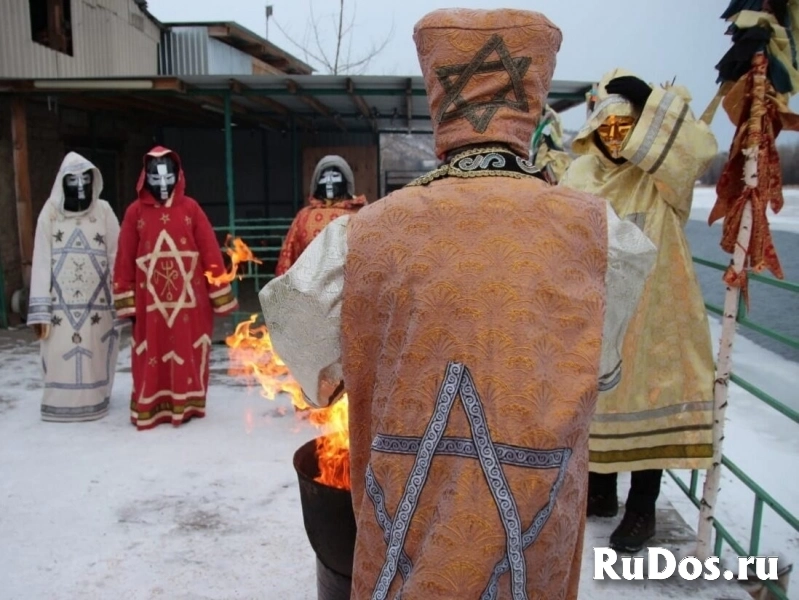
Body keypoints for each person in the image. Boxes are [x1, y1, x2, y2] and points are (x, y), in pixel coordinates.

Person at [260, 9, 657, 599]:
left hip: (410, 527)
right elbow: (599, 370)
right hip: (532, 526)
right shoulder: (600, 234)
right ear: (533, 97)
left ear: (437, 102)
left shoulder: (363, 235)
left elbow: (304, 347)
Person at [560, 69, 718, 552]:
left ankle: (642, 509)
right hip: (598, 309)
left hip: (655, 311)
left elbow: (692, 154)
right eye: (605, 128)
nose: (613, 138)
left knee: (650, 399)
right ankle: (603, 491)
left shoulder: (661, 178)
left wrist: (652, 104)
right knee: (599, 401)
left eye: (625, 128)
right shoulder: (579, 174)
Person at [113, 146, 238, 431]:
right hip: (149, 305)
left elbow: (209, 251)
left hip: (190, 304)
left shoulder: (191, 209)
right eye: (156, 179)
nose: (163, 185)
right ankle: (151, 406)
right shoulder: (135, 213)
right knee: (150, 353)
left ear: (177, 177)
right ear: (145, 179)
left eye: (168, 178)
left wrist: (218, 292)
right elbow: (124, 257)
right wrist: (127, 301)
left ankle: (188, 405)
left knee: (188, 351)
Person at [27, 152, 122, 422]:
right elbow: (42, 260)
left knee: (96, 355)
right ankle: (59, 404)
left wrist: (122, 300)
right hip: (60, 307)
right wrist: (40, 311)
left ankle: (96, 401)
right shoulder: (50, 213)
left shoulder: (103, 211)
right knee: (58, 355)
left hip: (97, 306)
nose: (79, 187)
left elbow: (117, 255)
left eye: (84, 180)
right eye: (73, 180)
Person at [274, 155, 367, 276]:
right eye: (324, 177)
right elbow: (288, 257)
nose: (329, 181)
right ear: (316, 183)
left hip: (350, 287)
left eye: (334, 176)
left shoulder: (361, 214)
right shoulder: (304, 217)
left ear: (346, 181)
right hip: (310, 288)